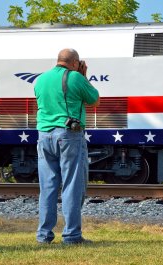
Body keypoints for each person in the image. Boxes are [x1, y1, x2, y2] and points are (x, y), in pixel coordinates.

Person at [34, 48, 99, 244]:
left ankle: (44, 235)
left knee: (48, 186)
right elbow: (94, 100)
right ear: (75, 63)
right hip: (68, 135)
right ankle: (72, 236)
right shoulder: (76, 77)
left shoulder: (41, 79)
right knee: (72, 185)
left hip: (44, 136)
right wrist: (83, 76)